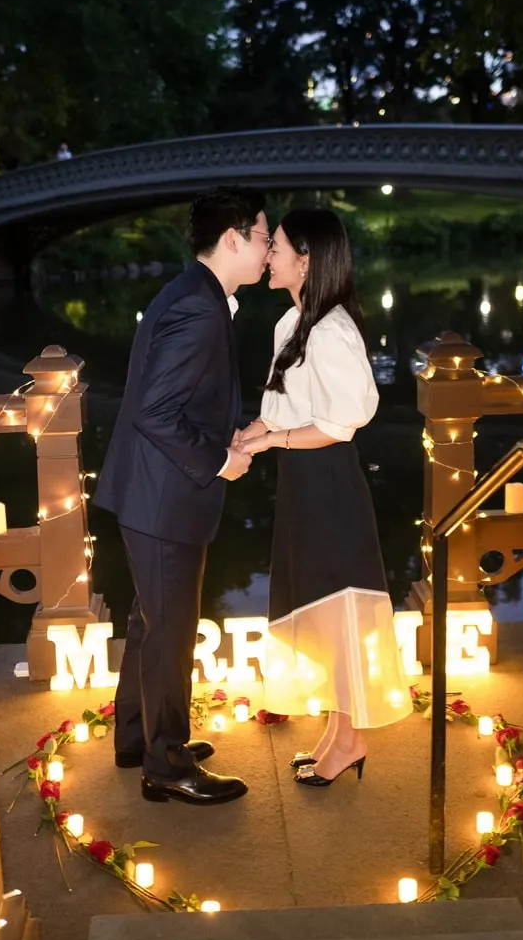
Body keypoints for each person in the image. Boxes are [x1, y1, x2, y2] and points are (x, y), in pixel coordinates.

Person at [94, 187, 271, 805]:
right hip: (165, 496)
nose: (270, 247)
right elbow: (154, 410)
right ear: (233, 239)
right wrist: (221, 460)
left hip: (151, 490)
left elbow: (175, 399)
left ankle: (138, 739)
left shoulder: (193, 292)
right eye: (264, 236)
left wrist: (228, 431)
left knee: (151, 619)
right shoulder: (199, 308)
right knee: (170, 628)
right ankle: (166, 766)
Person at [236, 208, 407, 786]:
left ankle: (350, 739)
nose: (267, 255)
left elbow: (340, 424)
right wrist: (253, 433)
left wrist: (270, 441)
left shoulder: (331, 330)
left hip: (328, 480)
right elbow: (288, 407)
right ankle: (340, 731)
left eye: (276, 246)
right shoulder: (292, 324)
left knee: (337, 607)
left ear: (305, 260)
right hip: (301, 480)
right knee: (319, 602)